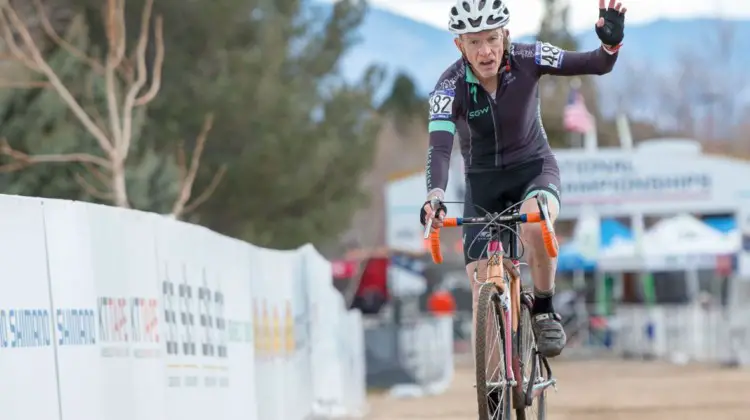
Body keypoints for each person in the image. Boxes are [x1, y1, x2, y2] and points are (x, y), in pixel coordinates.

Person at [419, 0, 627, 361]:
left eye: (492, 39)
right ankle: (494, 388)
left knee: (534, 224)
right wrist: (434, 195)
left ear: (506, 36)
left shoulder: (530, 57)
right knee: (480, 284)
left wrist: (609, 45)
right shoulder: (447, 87)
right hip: (483, 184)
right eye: (474, 42)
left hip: (534, 170)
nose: (485, 52)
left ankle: (544, 308)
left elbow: (594, 63)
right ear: (459, 46)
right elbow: (439, 149)